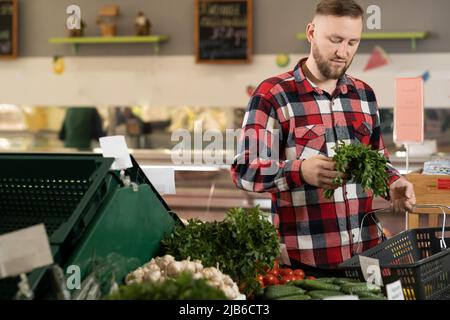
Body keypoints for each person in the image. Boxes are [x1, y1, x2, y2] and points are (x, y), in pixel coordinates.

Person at [230, 0, 416, 276]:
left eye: (353, 42)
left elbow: (377, 160)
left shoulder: (364, 94)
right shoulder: (272, 95)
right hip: (304, 262)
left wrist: (393, 181)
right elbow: (244, 170)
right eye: (335, 40)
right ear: (311, 33)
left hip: (368, 255)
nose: (343, 52)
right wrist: (299, 171)